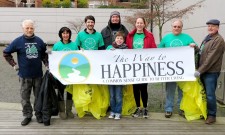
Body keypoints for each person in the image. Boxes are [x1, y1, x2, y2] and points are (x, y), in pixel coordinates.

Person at [3, 19, 48, 126]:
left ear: (34, 28)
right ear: (23, 28)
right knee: (25, 98)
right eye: (27, 28)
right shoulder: (18, 41)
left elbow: (44, 54)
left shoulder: (39, 41)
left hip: (38, 75)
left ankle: (38, 114)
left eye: (31, 28)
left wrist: (46, 63)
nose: (29, 30)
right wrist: (14, 64)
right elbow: (6, 52)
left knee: (39, 96)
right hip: (24, 76)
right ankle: (27, 115)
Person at [158, 19, 196, 118]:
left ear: (181, 28)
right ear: (172, 27)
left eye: (179, 27)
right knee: (170, 90)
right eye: (175, 26)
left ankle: (181, 109)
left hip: (184, 70)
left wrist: (194, 46)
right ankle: (168, 109)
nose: (176, 28)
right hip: (169, 70)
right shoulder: (166, 38)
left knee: (182, 91)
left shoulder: (187, 38)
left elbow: (196, 50)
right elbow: (158, 52)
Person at [194, 19, 225, 124]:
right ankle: (206, 113)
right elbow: (202, 53)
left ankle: (212, 115)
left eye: (213, 26)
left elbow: (210, 59)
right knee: (205, 93)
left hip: (211, 72)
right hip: (203, 72)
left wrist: (199, 70)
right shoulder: (207, 38)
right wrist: (196, 48)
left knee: (210, 95)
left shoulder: (219, 40)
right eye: (209, 26)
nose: (210, 28)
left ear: (217, 27)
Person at [126, 17, 157, 118]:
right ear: (135, 24)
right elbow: (125, 49)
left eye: (141, 23)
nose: (139, 24)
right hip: (133, 65)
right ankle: (138, 107)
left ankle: (145, 108)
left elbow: (154, 49)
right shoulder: (130, 36)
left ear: (144, 24)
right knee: (135, 88)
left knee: (143, 88)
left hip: (144, 66)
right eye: (137, 23)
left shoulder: (149, 35)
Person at [52, 27, 78, 119]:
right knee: (61, 92)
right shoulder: (57, 45)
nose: (65, 35)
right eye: (63, 33)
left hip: (72, 73)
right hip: (60, 73)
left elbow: (78, 58)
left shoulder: (74, 45)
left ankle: (69, 110)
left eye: (67, 33)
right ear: (61, 35)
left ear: (69, 34)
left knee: (70, 92)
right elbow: (53, 60)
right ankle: (62, 111)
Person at [107, 31, 128, 120]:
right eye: (117, 38)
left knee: (118, 95)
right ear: (114, 39)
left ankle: (118, 112)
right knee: (112, 96)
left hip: (120, 76)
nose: (119, 40)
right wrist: (109, 52)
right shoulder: (109, 48)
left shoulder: (126, 49)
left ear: (123, 40)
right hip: (110, 76)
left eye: (121, 38)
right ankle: (112, 111)